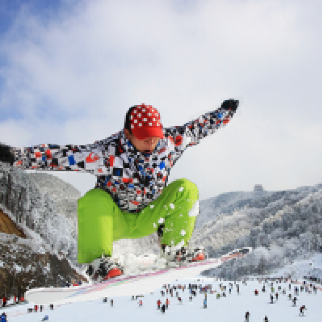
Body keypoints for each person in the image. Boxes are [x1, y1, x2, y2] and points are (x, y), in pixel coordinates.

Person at [0, 100, 239, 281]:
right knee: (93, 199)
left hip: (150, 216)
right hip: (115, 221)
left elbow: (197, 129)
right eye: (144, 138)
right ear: (127, 134)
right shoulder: (105, 153)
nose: (151, 144)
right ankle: (98, 262)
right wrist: (15, 156)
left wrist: (225, 113)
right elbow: (61, 156)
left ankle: (175, 247)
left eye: (154, 138)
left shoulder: (169, 143)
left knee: (186, 188)